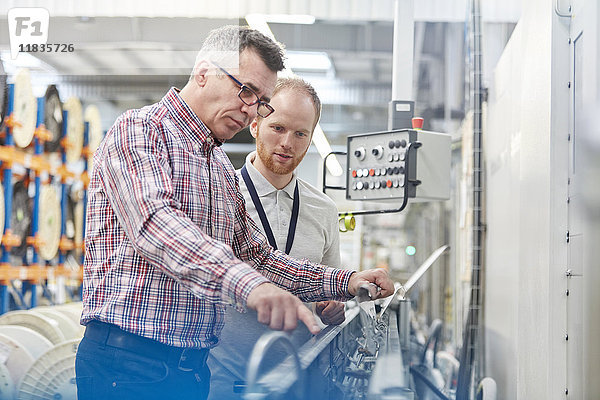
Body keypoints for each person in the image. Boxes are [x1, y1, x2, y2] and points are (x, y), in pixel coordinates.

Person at [75, 25, 394, 400]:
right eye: (245, 90)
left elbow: (258, 257)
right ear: (203, 72)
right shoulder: (141, 131)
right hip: (128, 363)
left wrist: (347, 280)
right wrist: (252, 287)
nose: (248, 109)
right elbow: (156, 225)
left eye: (259, 100)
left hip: (192, 367)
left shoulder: (220, 166)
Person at [207, 77, 345, 399]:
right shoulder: (220, 196)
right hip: (223, 378)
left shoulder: (324, 210)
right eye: (278, 128)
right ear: (254, 125)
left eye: (300, 134)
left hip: (299, 377)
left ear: (311, 139)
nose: (287, 143)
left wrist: (331, 307)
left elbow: (329, 286)